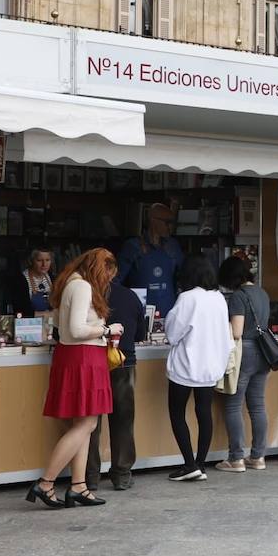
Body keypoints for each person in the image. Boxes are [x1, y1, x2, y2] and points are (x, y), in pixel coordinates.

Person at [26, 248, 123, 509]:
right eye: (107, 274)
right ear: (98, 269)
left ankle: (79, 486)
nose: (108, 280)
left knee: (82, 424)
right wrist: (107, 330)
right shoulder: (82, 287)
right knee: (87, 424)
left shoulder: (69, 283)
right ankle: (45, 483)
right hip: (84, 356)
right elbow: (77, 329)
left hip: (73, 356)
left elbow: (61, 326)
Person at [164, 255, 233, 481]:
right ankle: (201, 464)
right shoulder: (219, 298)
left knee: (177, 413)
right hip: (211, 366)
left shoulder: (187, 298)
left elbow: (173, 333)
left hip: (186, 365)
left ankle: (189, 464)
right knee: (204, 413)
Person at [86, 280, 147, 492]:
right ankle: (121, 475)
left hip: (93, 361)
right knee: (123, 419)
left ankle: (90, 476)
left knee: (90, 422)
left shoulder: (86, 294)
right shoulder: (130, 296)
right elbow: (140, 334)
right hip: (124, 361)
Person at [216, 256, 272, 472]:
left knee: (233, 405)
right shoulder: (262, 293)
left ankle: (236, 458)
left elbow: (237, 332)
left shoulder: (239, 296)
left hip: (245, 352)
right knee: (257, 406)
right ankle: (258, 457)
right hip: (263, 353)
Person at [117, 202, 184, 314]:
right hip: (141, 311)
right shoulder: (133, 246)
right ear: (153, 220)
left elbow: (185, 276)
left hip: (169, 310)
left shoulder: (173, 246)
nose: (170, 227)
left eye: (172, 223)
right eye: (167, 222)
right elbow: (117, 280)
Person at [13, 246, 55, 318]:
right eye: (39, 260)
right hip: (30, 323)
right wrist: (45, 314)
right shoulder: (21, 280)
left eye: (47, 260)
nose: (44, 264)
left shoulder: (52, 278)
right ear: (31, 261)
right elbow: (21, 311)